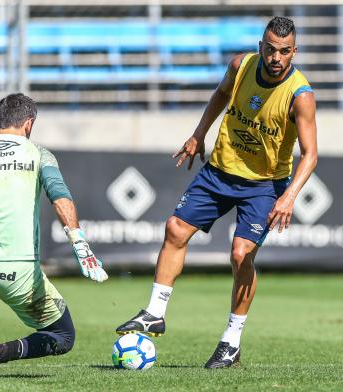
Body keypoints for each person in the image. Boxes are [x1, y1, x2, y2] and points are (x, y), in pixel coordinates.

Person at [116, 16, 317, 369]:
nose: (276, 57)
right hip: (219, 171)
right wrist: (198, 134)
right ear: (261, 47)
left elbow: (310, 154)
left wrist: (289, 197)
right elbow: (220, 95)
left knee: (241, 255)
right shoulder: (241, 66)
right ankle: (155, 313)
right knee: (175, 229)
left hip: (264, 185)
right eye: (270, 49)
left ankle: (231, 342)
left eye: (284, 52)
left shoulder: (300, 96)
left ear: (293, 52)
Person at [0, 93, 108, 379]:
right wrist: (80, 244)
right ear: (29, 124)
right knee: (63, 335)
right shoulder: (38, 153)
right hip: (18, 275)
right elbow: (60, 198)